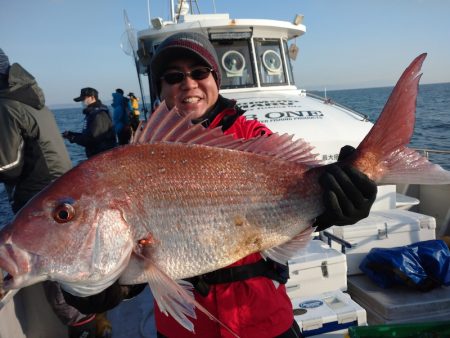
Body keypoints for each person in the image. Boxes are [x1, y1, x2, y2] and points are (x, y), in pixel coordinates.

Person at [63, 32, 377, 337]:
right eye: (173, 77)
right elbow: (138, 261)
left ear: (216, 80)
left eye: (199, 72)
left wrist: (336, 202)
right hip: (184, 330)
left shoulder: (252, 136)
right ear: (159, 89)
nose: (188, 83)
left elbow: (297, 192)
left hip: (262, 319)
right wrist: (105, 286)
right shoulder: (138, 155)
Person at [0, 48, 98, 338]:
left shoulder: (5, 105)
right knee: (67, 268)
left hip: (40, 197)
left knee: (49, 271)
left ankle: (86, 329)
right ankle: (94, 321)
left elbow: (9, 166)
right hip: (59, 187)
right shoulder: (32, 98)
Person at [62, 87, 116, 158]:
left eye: (84, 99)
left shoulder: (99, 115)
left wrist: (73, 137)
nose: (82, 102)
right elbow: (90, 135)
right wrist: (71, 134)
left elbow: (92, 139)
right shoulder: (93, 114)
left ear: (92, 98)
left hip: (102, 157)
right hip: (97, 157)